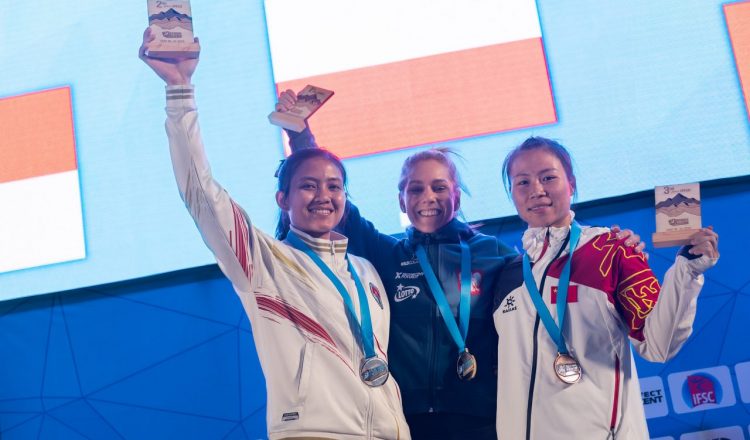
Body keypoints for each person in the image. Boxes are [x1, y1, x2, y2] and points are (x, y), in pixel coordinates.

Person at [274, 92, 645, 439]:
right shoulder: (386, 254)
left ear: (456, 193)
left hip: (483, 419)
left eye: (439, 187)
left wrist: (616, 248)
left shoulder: (496, 255)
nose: (427, 198)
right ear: (401, 201)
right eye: (415, 189)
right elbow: (340, 205)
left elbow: (557, 268)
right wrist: (300, 134)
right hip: (407, 421)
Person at [139, 29, 410, 440]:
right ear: (283, 198)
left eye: (334, 186)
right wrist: (180, 91)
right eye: (308, 186)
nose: (323, 195)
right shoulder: (264, 262)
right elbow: (201, 191)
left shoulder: (366, 271)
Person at [493, 136, 719, 439]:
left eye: (548, 177)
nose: (536, 190)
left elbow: (658, 344)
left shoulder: (611, 250)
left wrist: (686, 272)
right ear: (512, 193)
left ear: (571, 184)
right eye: (523, 182)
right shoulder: (507, 278)